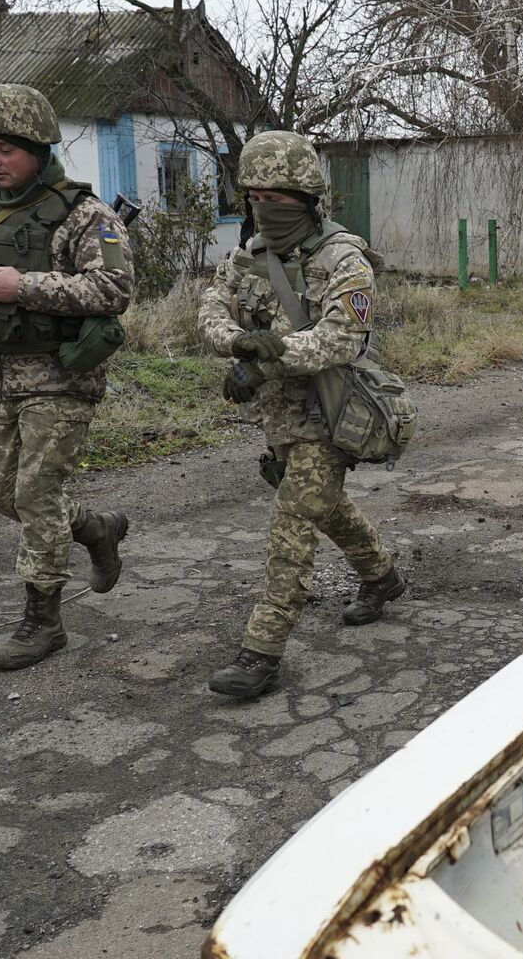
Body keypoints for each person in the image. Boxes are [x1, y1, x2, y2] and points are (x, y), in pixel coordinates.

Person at [0, 83, 135, 671]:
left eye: (5, 148)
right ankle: (95, 529)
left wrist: (24, 286)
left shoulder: (88, 216)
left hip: (62, 380)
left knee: (35, 495)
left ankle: (43, 621)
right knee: (3, 492)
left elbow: (114, 289)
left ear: (38, 148)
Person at [198, 130, 406, 699]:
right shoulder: (248, 254)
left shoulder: (344, 259)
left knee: (291, 526)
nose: (264, 205)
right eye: (254, 194)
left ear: (308, 197)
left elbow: (342, 338)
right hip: (281, 419)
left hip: (333, 413)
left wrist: (269, 358)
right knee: (325, 507)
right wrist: (240, 346)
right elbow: (213, 307)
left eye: (278, 195)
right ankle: (382, 576)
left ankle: (261, 652)